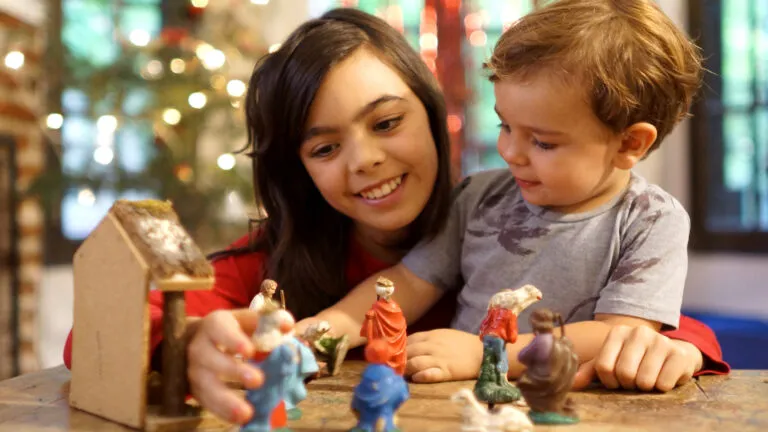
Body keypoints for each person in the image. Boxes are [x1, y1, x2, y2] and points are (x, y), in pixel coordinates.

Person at [61, 7, 728, 426]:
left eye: (387, 121)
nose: (365, 161)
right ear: (300, 167)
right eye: (324, 147)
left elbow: (650, 328)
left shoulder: (623, 216)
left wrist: (676, 343)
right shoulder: (281, 258)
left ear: (433, 113)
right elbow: (106, 328)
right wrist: (192, 344)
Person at [300, 1, 730, 392]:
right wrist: (326, 328)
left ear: (628, 144)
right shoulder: (479, 195)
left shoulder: (651, 219)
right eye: (505, 125)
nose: (509, 152)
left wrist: (485, 354)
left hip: (565, 407)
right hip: (453, 400)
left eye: (542, 142)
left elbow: (617, 335)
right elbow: (410, 282)